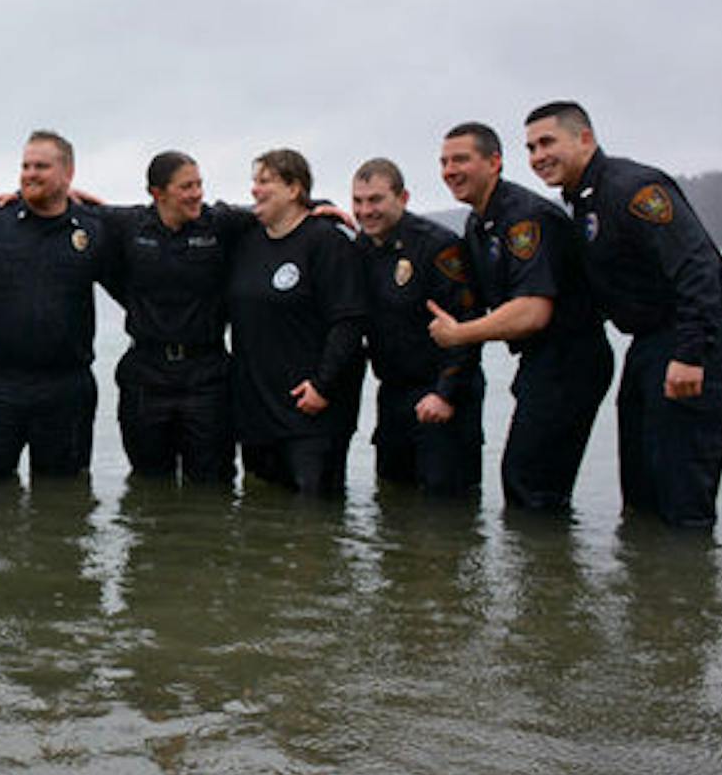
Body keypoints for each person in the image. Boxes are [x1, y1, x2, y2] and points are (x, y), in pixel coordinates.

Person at [523, 101, 722, 529]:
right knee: (641, 484)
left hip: (694, 336)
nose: (538, 157)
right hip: (649, 343)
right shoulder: (581, 202)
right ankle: (649, 586)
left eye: (547, 142)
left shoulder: (633, 188)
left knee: (680, 485)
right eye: (531, 148)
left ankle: (688, 585)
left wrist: (690, 353)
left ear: (584, 138)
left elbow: (697, 267)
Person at [428, 121, 613, 513]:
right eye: (444, 162)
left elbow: (532, 311)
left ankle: (547, 569)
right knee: (525, 480)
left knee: (531, 485)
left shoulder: (526, 217)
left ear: (494, 162)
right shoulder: (478, 222)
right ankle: (543, 567)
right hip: (540, 363)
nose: (450, 170)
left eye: (461, 159)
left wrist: (460, 334)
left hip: (570, 359)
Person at [0, 130, 108, 484]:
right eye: (25, 166)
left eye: (41, 166)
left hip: (66, 389)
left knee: (63, 508)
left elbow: (136, 283)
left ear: (68, 173)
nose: (30, 173)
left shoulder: (94, 229)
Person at [224, 149, 367, 496]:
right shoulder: (246, 240)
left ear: (294, 189)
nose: (255, 190)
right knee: (263, 518)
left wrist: (323, 384)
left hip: (311, 411)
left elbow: (349, 322)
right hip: (257, 412)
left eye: (265, 182)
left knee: (313, 526)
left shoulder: (326, 241)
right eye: (254, 182)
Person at [95, 151, 235, 484]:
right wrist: (15, 198)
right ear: (158, 193)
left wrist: (321, 205)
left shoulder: (220, 224)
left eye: (199, 184)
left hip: (207, 374)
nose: (197, 193)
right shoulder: (130, 226)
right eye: (187, 186)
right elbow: (74, 207)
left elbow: (275, 210)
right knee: (147, 485)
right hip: (146, 374)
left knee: (212, 484)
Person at [350, 157, 484, 496]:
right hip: (393, 393)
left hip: (440, 394)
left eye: (376, 200)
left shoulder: (437, 246)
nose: (366, 211)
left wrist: (445, 393)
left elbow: (466, 324)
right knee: (392, 499)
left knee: (444, 508)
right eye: (358, 201)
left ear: (403, 198)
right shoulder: (362, 247)